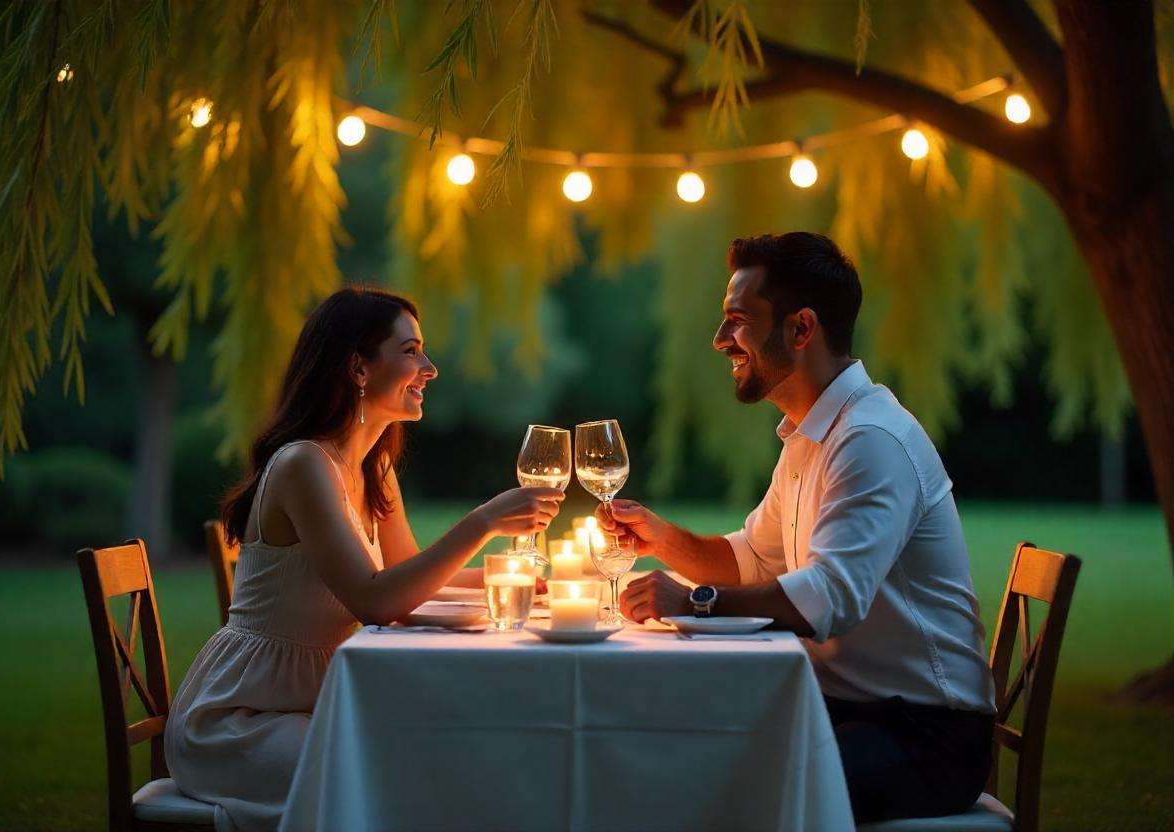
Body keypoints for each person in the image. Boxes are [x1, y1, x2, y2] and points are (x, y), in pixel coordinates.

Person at [603, 233, 995, 823]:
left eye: (738, 320)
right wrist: (662, 539)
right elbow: (753, 560)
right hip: (851, 710)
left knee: (723, 784)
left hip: (926, 736)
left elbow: (829, 599)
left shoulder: (869, 439)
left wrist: (694, 602)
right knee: (681, 745)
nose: (720, 339)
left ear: (801, 328)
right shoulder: (812, 433)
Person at [164, 287, 564, 831]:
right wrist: (483, 522)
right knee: (396, 775)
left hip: (313, 707)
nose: (430, 368)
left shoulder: (374, 468)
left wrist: (531, 580)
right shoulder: (304, 464)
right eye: (411, 351)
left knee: (440, 757)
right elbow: (376, 600)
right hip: (241, 721)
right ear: (357, 367)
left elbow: (409, 580)